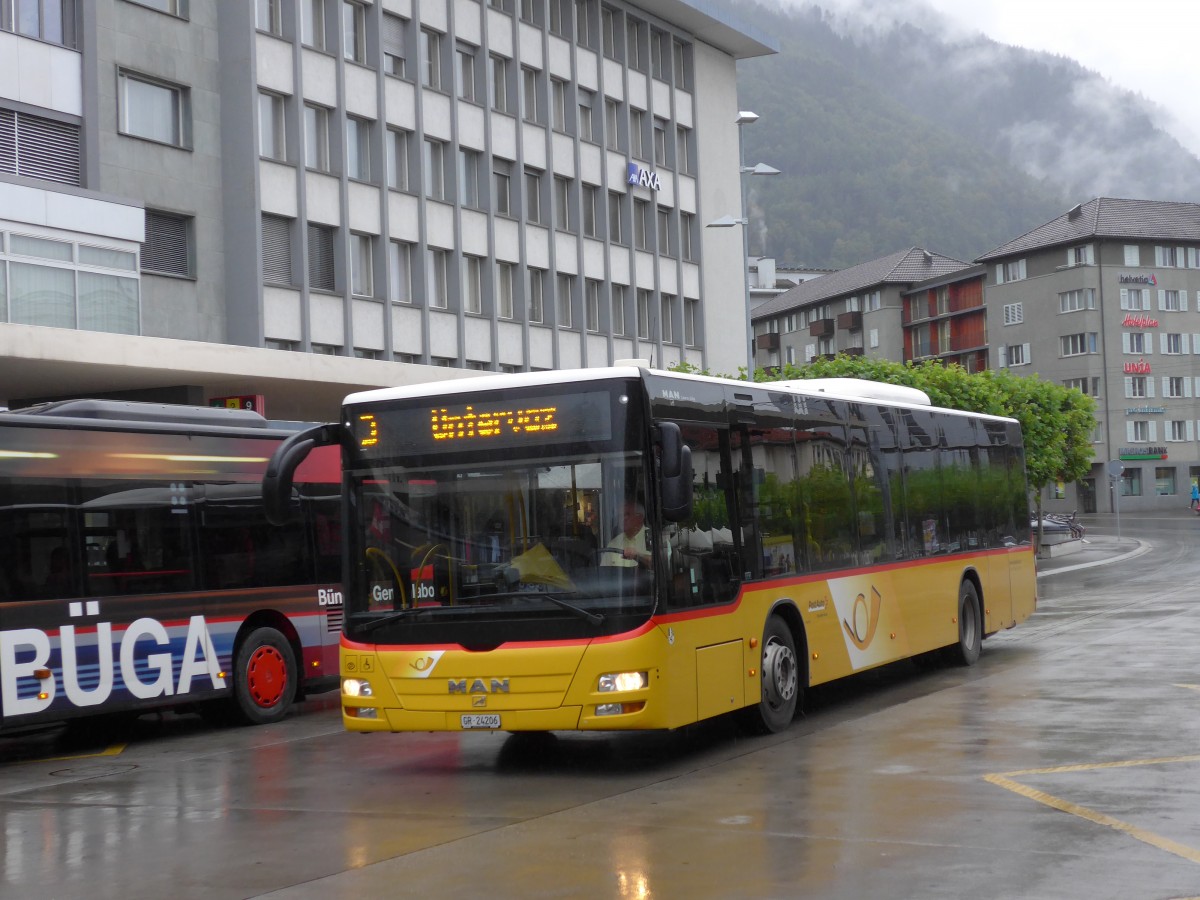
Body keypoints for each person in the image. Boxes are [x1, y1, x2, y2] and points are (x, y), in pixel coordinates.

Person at [601, 501, 653, 569]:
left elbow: (661, 565)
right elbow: (604, 573)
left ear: (640, 517)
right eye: (620, 516)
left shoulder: (653, 537)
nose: (622, 519)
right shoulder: (614, 543)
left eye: (626, 515)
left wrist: (638, 556)